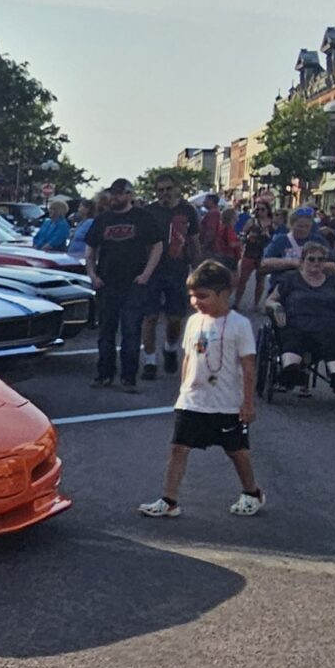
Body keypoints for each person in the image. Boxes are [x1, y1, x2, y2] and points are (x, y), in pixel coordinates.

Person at [139, 260, 264, 518]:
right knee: (178, 447)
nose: (196, 302)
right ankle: (169, 499)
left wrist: (248, 403)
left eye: (203, 296)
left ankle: (252, 492)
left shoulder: (239, 325)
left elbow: (248, 366)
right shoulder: (194, 322)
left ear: (224, 294)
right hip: (193, 400)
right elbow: (188, 357)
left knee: (237, 450)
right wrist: (183, 390)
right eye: (193, 296)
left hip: (227, 402)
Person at [83, 179, 164, 391]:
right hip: (106, 283)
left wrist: (146, 274)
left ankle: (129, 378)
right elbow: (90, 249)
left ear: (129, 195)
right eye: (113, 193)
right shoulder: (102, 219)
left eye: (119, 193)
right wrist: (92, 274)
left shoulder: (142, 218)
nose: (115, 197)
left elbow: (157, 246)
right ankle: (104, 374)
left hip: (133, 284)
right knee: (106, 332)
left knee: (131, 331)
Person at [263, 239, 335, 397]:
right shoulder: (290, 279)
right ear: (302, 261)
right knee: (293, 335)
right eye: (311, 259)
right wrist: (276, 307)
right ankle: (290, 370)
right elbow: (270, 300)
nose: (316, 263)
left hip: (330, 326)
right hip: (296, 324)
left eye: (321, 259)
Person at [142, 176, 201, 378]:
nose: (164, 193)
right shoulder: (149, 211)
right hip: (153, 270)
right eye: (160, 190)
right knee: (150, 316)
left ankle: (170, 348)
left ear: (176, 189)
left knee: (175, 318)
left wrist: (198, 267)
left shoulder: (187, 211)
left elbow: (194, 240)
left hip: (178, 270)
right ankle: (150, 361)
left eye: (168, 189)